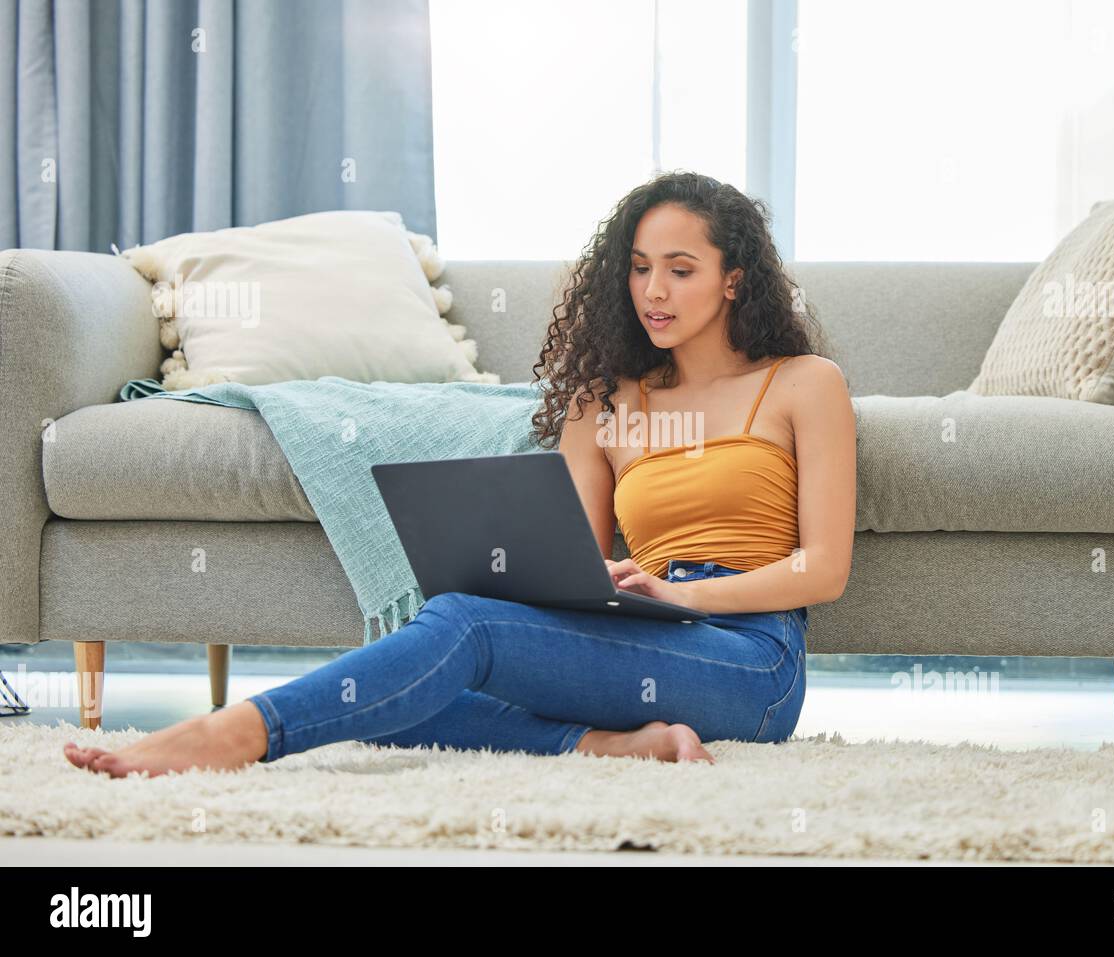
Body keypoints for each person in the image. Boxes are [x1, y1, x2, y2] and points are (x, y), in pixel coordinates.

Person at [64, 171, 857, 778]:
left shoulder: (804, 383)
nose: (654, 289)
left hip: (753, 659)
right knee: (398, 683)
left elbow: (822, 570)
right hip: (644, 628)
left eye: (681, 269)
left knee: (449, 642)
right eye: (642, 266)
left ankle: (234, 732)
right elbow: (572, 566)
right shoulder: (603, 402)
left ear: (734, 280)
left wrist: (681, 591)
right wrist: (561, 577)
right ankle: (608, 745)